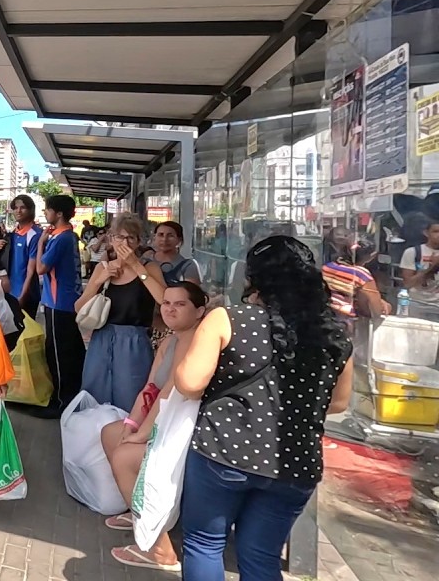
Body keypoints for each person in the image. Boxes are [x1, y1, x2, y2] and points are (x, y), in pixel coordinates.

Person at [174, 235, 354, 581]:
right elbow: (339, 402)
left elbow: (189, 382)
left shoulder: (228, 319)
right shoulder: (333, 334)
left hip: (224, 452)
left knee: (205, 544)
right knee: (261, 557)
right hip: (295, 463)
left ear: (253, 277)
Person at [100, 281, 208, 572]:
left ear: (199, 311)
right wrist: (131, 423)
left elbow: (169, 394)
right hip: (162, 420)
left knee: (125, 456)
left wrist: (143, 432)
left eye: (180, 304)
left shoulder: (197, 343)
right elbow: (150, 389)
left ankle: (160, 550)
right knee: (111, 433)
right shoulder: (170, 341)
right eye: (166, 303)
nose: (170, 309)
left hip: (183, 429)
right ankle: (139, 513)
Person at [78, 213, 167, 410]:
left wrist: (136, 266)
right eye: (120, 237)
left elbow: (164, 300)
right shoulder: (103, 268)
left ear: (138, 242)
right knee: (95, 396)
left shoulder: (149, 268)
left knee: (130, 396)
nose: (124, 243)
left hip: (135, 341)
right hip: (101, 339)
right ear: (111, 239)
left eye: (131, 238)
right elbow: (78, 308)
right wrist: (99, 281)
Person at [33, 195, 85, 417]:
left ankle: (62, 401)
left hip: (58, 302)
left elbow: (41, 268)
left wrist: (40, 243)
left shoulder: (60, 238)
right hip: (67, 300)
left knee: (58, 354)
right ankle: (71, 396)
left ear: (59, 213)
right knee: (70, 352)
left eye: (48, 210)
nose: (46, 213)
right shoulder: (69, 236)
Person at [6, 195, 43, 316]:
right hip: (10, 292)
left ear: (31, 210)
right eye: (15, 208)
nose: (18, 211)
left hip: (27, 294)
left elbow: (31, 270)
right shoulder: (12, 234)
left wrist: (23, 295)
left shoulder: (36, 234)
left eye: (23, 207)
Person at [399, 217, 439, 319]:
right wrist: (433, 267)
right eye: (436, 231)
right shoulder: (412, 252)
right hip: (416, 303)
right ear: (426, 233)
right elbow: (408, 283)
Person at [146, 221, 201, 286]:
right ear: (154, 237)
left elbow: (191, 291)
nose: (164, 239)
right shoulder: (145, 259)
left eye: (170, 236)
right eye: (161, 235)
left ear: (179, 240)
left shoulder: (188, 266)